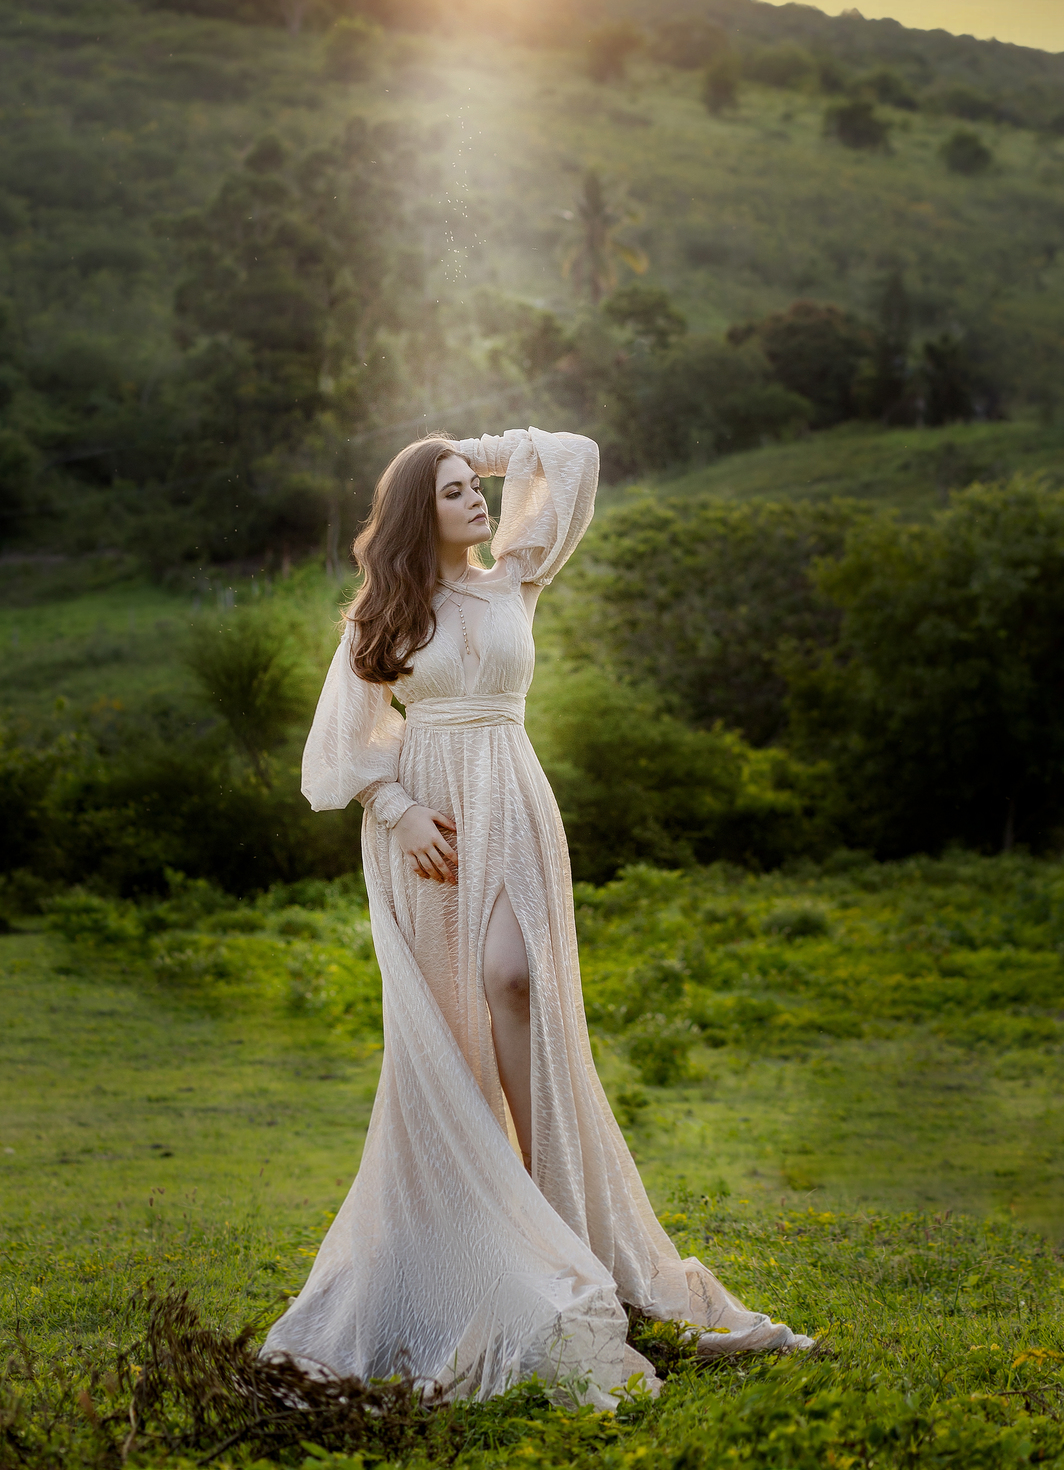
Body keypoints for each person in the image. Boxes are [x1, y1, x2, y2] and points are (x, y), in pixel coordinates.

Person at [264, 428, 810, 1402]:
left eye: (474, 486)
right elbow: (340, 740)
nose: (476, 498)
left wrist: (461, 446)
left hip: (512, 801)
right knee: (453, 1023)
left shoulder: (516, 577)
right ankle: (488, 1220)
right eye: (452, 491)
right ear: (416, 514)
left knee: (514, 983)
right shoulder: (385, 612)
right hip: (428, 825)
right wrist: (394, 807)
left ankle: (550, 1207)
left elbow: (575, 454)